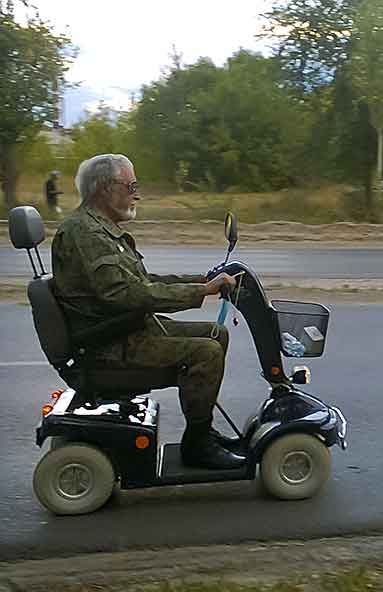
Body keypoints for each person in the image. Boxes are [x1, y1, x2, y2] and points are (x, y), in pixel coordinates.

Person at [51, 154, 245, 470]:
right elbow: (128, 295)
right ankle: (197, 446)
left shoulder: (99, 229)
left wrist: (202, 281)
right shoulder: (85, 234)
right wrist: (201, 292)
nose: (136, 194)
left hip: (121, 329)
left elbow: (143, 282)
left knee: (216, 333)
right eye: (131, 186)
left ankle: (201, 431)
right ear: (104, 188)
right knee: (206, 353)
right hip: (109, 344)